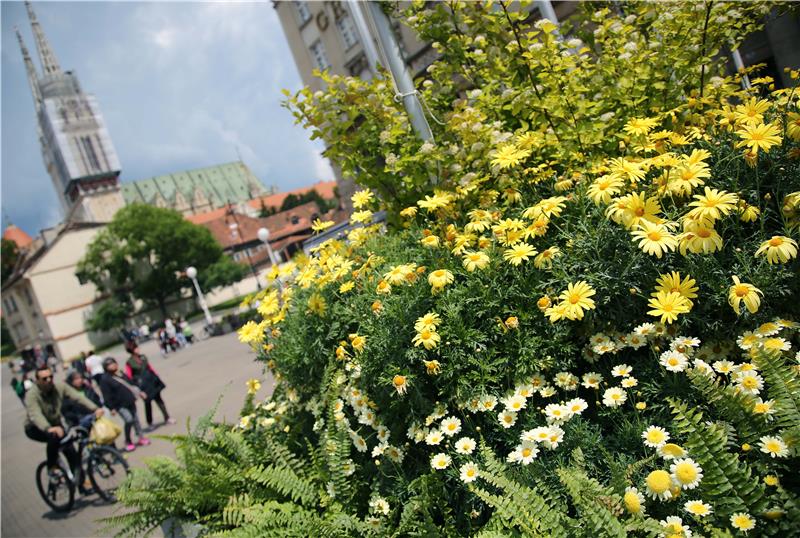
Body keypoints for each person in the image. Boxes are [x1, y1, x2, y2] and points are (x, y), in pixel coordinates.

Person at [24, 366, 104, 494]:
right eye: (45, 378)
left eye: (51, 377)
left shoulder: (59, 387)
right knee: (53, 438)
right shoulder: (32, 395)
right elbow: (35, 415)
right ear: (37, 380)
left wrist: (95, 409)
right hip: (35, 428)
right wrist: (49, 428)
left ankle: (81, 485)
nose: (49, 380)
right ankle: (52, 469)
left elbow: (77, 396)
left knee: (71, 452)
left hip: (56, 425)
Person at [98, 358, 150, 452]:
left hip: (130, 400)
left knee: (136, 420)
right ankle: (128, 441)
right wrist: (111, 408)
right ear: (106, 367)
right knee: (129, 420)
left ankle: (141, 437)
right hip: (119, 405)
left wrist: (140, 392)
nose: (113, 365)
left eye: (114, 363)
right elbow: (106, 395)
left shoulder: (120, 373)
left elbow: (131, 384)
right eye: (110, 365)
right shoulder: (105, 379)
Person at [124, 342, 174, 429]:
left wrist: (156, 375)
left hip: (151, 380)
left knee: (159, 400)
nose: (138, 349)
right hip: (142, 385)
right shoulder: (129, 362)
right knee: (148, 403)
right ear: (131, 350)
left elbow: (149, 367)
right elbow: (129, 376)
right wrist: (136, 388)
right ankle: (150, 422)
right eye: (135, 348)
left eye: (137, 347)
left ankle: (167, 417)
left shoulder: (143, 357)